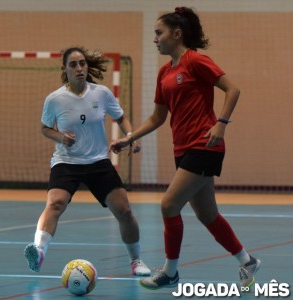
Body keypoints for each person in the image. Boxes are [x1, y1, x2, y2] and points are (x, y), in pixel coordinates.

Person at [110, 7, 261, 289]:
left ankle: (171, 271)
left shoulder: (195, 61)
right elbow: (158, 117)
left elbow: (233, 89)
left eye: (159, 33)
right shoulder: (164, 73)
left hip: (204, 146)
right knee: (207, 215)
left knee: (168, 205)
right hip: (182, 150)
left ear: (176, 34)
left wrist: (221, 123)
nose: (155, 39)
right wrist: (128, 138)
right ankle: (247, 261)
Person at [24, 46, 150, 277]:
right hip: (66, 162)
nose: (80, 68)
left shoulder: (101, 93)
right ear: (65, 69)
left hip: (98, 162)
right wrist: (60, 137)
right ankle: (39, 251)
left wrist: (131, 138)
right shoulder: (55, 99)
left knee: (124, 210)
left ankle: (136, 261)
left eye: (82, 63)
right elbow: (44, 129)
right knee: (55, 203)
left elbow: (121, 118)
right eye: (73, 64)